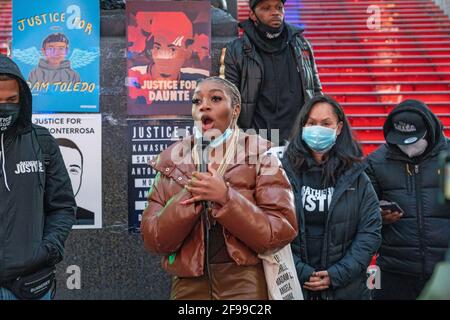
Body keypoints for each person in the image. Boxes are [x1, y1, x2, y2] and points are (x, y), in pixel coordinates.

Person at [140, 76, 297, 300]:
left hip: (244, 284)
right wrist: (190, 196)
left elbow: (280, 231)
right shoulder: (171, 163)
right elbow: (153, 239)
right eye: (196, 101)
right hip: (188, 286)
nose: (204, 105)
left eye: (215, 98)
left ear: (235, 110)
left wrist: (226, 198)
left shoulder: (261, 155)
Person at [282, 95, 382, 300]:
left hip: (347, 289)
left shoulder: (357, 176)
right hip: (295, 286)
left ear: (338, 128)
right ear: (302, 127)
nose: (318, 129)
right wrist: (302, 272)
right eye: (311, 123)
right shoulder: (282, 172)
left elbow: (370, 231)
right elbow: (271, 228)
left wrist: (337, 274)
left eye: (326, 123)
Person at [0, 54, 76, 300]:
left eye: (11, 100)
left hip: (31, 284)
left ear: (23, 98)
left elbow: (62, 206)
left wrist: (46, 251)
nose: (4, 107)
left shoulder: (41, 142)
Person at [366, 99, 450, 300]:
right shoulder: (375, 163)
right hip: (395, 270)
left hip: (444, 270)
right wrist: (378, 214)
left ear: (428, 131)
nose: (407, 147)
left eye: (412, 140)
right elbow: (360, 213)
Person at [220, 0, 322, 145]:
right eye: (266, 8)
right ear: (252, 15)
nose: (275, 12)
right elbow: (230, 99)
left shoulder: (301, 44)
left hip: (297, 138)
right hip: (257, 139)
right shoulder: (236, 50)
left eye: (279, 7)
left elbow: (315, 90)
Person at [57, 138, 94, 225]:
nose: (66, 178)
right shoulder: (31, 217)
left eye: (73, 170)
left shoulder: (89, 218)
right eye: (58, 168)